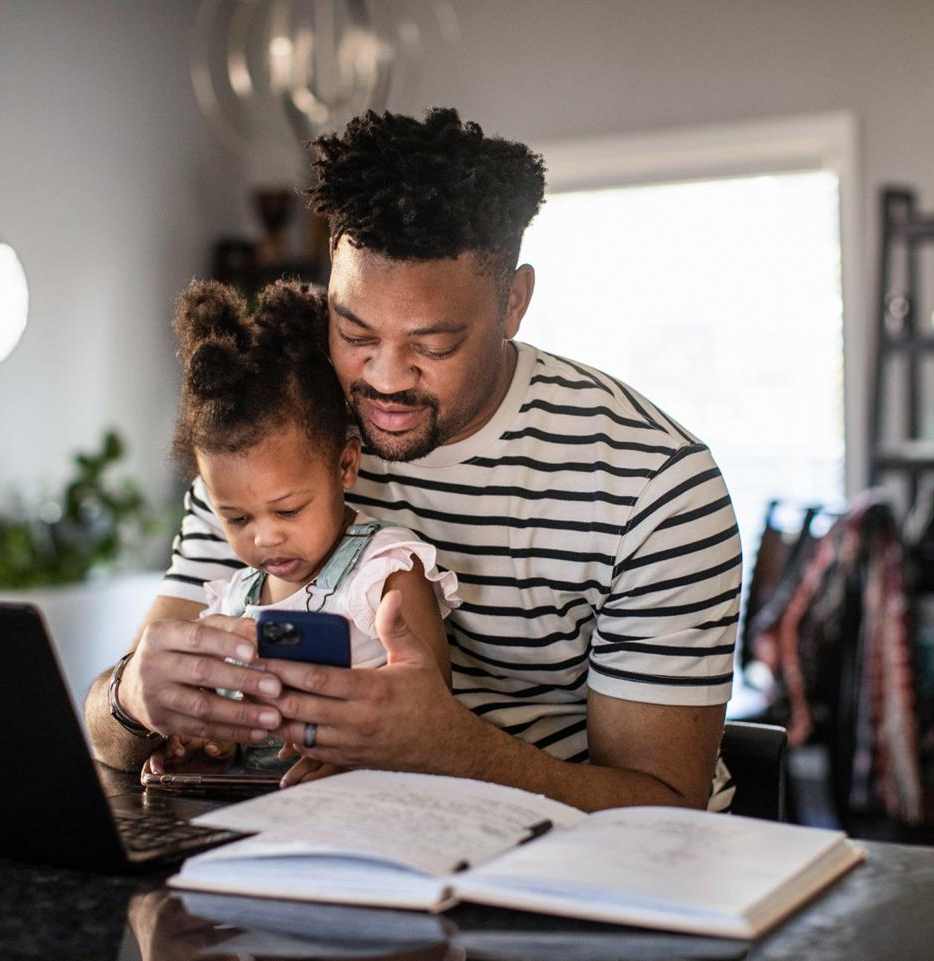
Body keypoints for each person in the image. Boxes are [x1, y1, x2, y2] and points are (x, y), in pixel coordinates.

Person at [85, 107, 742, 813]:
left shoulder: (653, 486)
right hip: (322, 844)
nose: (387, 379)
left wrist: (450, 749)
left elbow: (666, 812)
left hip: (563, 875)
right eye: (354, 330)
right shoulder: (278, 440)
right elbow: (107, 735)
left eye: (433, 345)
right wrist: (133, 697)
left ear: (514, 302)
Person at [154, 278, 458, 784]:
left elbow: (430, 717)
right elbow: (225, 715)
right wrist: (204, 739)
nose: (265, 538)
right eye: (238, 518)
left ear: (345, 465)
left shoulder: (385, 574)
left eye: (289, 511)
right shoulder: (233, 600)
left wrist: (356, 756)